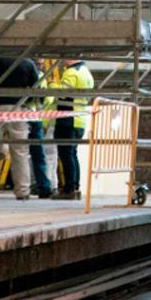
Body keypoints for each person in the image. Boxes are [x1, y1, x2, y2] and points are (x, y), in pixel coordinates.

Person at [0, 56, 39, 200]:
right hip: (18, 109)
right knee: (20, 151)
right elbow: (36, 88)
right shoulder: (27, 62)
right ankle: (23, 191)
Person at [54, 59, 94, 200]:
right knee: (72, 154)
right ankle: (75, 187)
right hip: (79, 119)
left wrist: (52, 85)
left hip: (68, 119)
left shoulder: (71, 72)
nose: (62, 60)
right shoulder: (86, 72)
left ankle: (69, 189)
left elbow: (62, 93)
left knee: (66, 155)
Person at [27, 60, 55, 199]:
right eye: (39, 64)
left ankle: (32, 186)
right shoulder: (42, 76)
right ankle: (43, 186)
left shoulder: (29, 73)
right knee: (38, 155)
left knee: (23, 154)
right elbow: (47, 99)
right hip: (35, 118)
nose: (40, 66)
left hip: (27, 116)